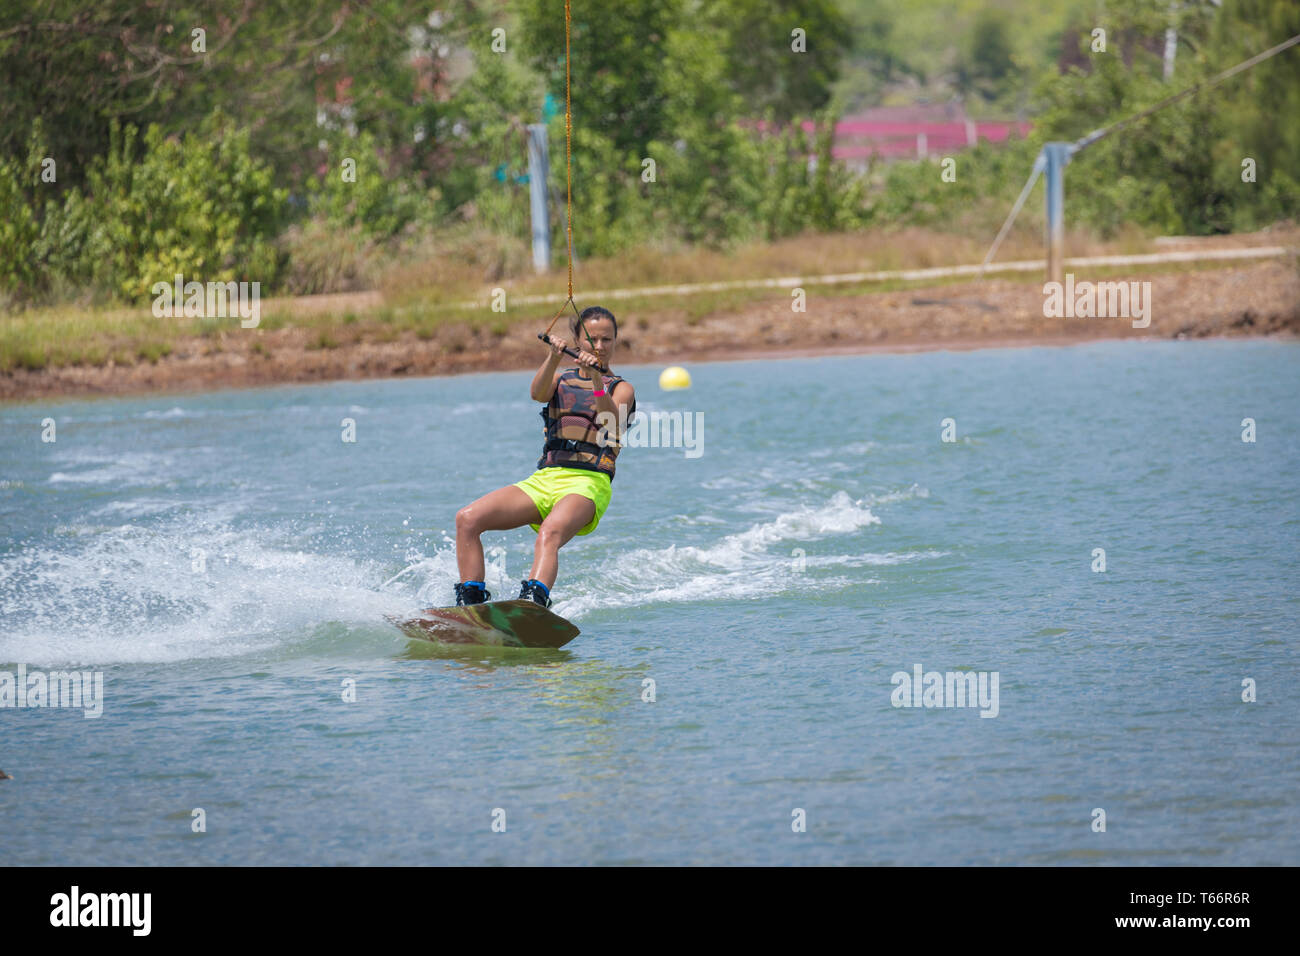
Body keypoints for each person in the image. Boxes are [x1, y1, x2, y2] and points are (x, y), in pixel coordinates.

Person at [453, 306, 636, 608]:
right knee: (468, 519)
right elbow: (538, 393)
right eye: (592, 339)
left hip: (588, 485)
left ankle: (533, 605)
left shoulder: (621, 388)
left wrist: (594, 380)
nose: (600, 347)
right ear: (577, 340)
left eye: (607, 340)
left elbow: (611, 425)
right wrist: (553, 356)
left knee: (550, 532)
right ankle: (470, 606)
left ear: (616, 342)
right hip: (545, 479)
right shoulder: (560, 378)